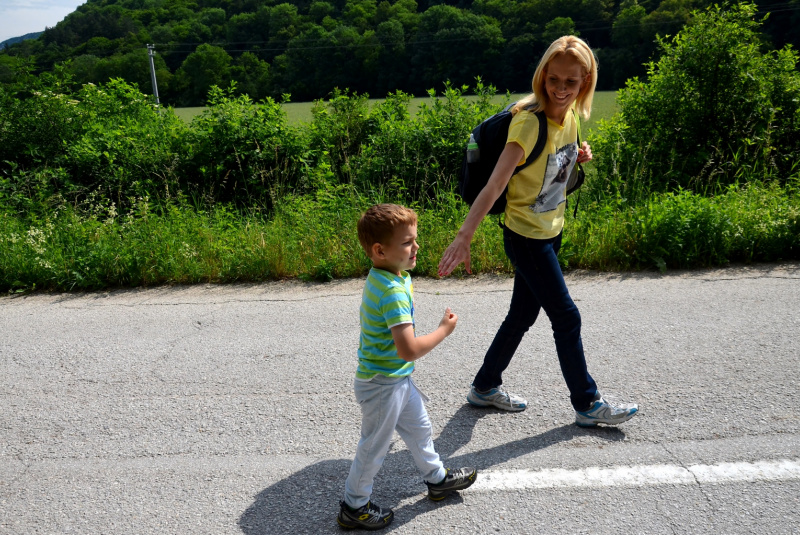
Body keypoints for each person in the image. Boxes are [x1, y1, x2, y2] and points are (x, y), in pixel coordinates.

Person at [438, 36, 639, 427]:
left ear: (586, 81)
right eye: (554, 79)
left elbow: (552, 175)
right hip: (526, 236)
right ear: (542, 75)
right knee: (566, 317)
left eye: (571, 82)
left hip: (550, 230)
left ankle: (484, 387)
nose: (561, 90)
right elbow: (495, 185)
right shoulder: (528, 122)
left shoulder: (572, 117)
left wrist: (577, 156)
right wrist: (464, 237)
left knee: (521, 315)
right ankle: (587, 402)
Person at [338, 203, 478, 531]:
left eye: (415, 239)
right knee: (373, 447)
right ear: (379, 250)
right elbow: (408, 349)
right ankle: (353, 506)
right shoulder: (390, 292)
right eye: (407, 243)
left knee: (420, 430)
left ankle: (437, 479)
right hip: (382, 384)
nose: (416, 247)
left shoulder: (397, 276)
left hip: (396, 380)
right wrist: (443, 330)